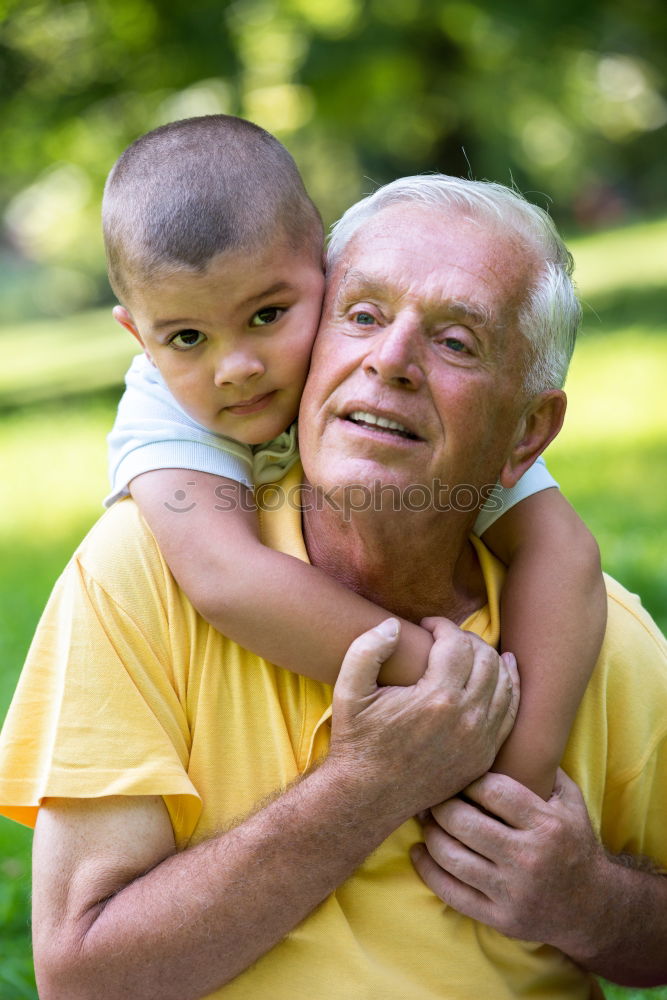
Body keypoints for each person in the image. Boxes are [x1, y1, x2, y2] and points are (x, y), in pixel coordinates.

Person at [0, 173, 666, 1000]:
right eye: (363, 315)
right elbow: (81, 978)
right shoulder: (141, 570)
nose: (389, 360)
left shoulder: (597, 633)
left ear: (527, 431)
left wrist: (589, 903)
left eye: (457, 341)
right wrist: (369, 785)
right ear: (318, 338)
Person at [101, 114, 605, 800]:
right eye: (188, 337)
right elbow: (226, 580)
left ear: (323, 271)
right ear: (139, 334)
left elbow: (564, 553)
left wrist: (519, 773)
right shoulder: (165, 411)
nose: (237, 368)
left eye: (267, 315)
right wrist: (437, 675)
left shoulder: (402, 380)